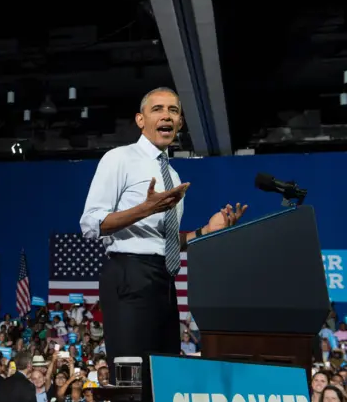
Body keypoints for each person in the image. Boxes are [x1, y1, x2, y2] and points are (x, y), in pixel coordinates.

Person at [79, 88, 247, 400]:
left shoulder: (171, 172)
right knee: (132, 384)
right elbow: (91, 224)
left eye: (173, 110)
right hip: (129, 275)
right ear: (141, 120)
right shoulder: (120, 158)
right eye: (158, 109)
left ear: (180, 122)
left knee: (162, 381)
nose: (166, 115)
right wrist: (146, 208)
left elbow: (166, 240)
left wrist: (205, 231)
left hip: (165, 281)